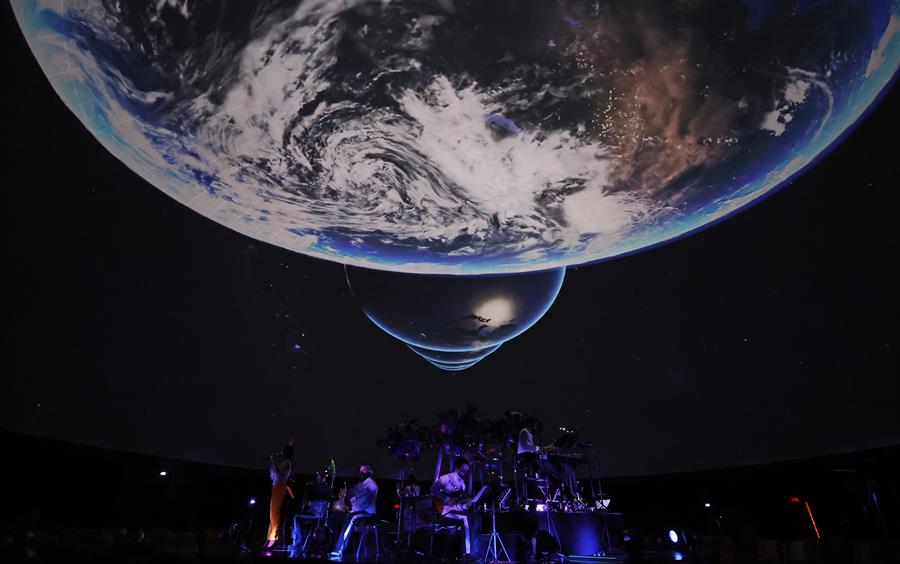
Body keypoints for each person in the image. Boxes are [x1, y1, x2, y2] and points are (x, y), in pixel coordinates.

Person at [431, 459, 477, 558]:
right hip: (444, 510)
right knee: (466, 518)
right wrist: (446, 499)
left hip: (455, 511)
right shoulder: (446, 478)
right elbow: (433, 489)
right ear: (457, 467)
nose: (465, 472)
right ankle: (467, 552)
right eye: (463, 469)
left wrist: (467, 504)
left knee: (472, 516)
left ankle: (463, 551)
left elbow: (459, 504)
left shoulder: (462, 484)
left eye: (466, 470)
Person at [330, 465, 378, 559]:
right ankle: (333, 544)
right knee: (337, 516)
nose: (362, 474)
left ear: (369, 473)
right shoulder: (361, 485)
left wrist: (354, 507)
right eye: (361, 472)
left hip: (368, 513)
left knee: (351, 517)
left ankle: (339, 549)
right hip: (359, 511)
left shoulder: (372, 485)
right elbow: (353, 497)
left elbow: (366, 502)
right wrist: (347, 497)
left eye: (364, 472)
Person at [265, 437, 295, 548]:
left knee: (275, 515)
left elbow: (279, 475)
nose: (281, 453)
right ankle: (270, 539)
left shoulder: (287, 463)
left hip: (279, 488)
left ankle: (274, 540)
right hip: (276, 488)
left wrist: (273, 461)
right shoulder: (284, 462)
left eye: (283, 451)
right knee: (272, 515)